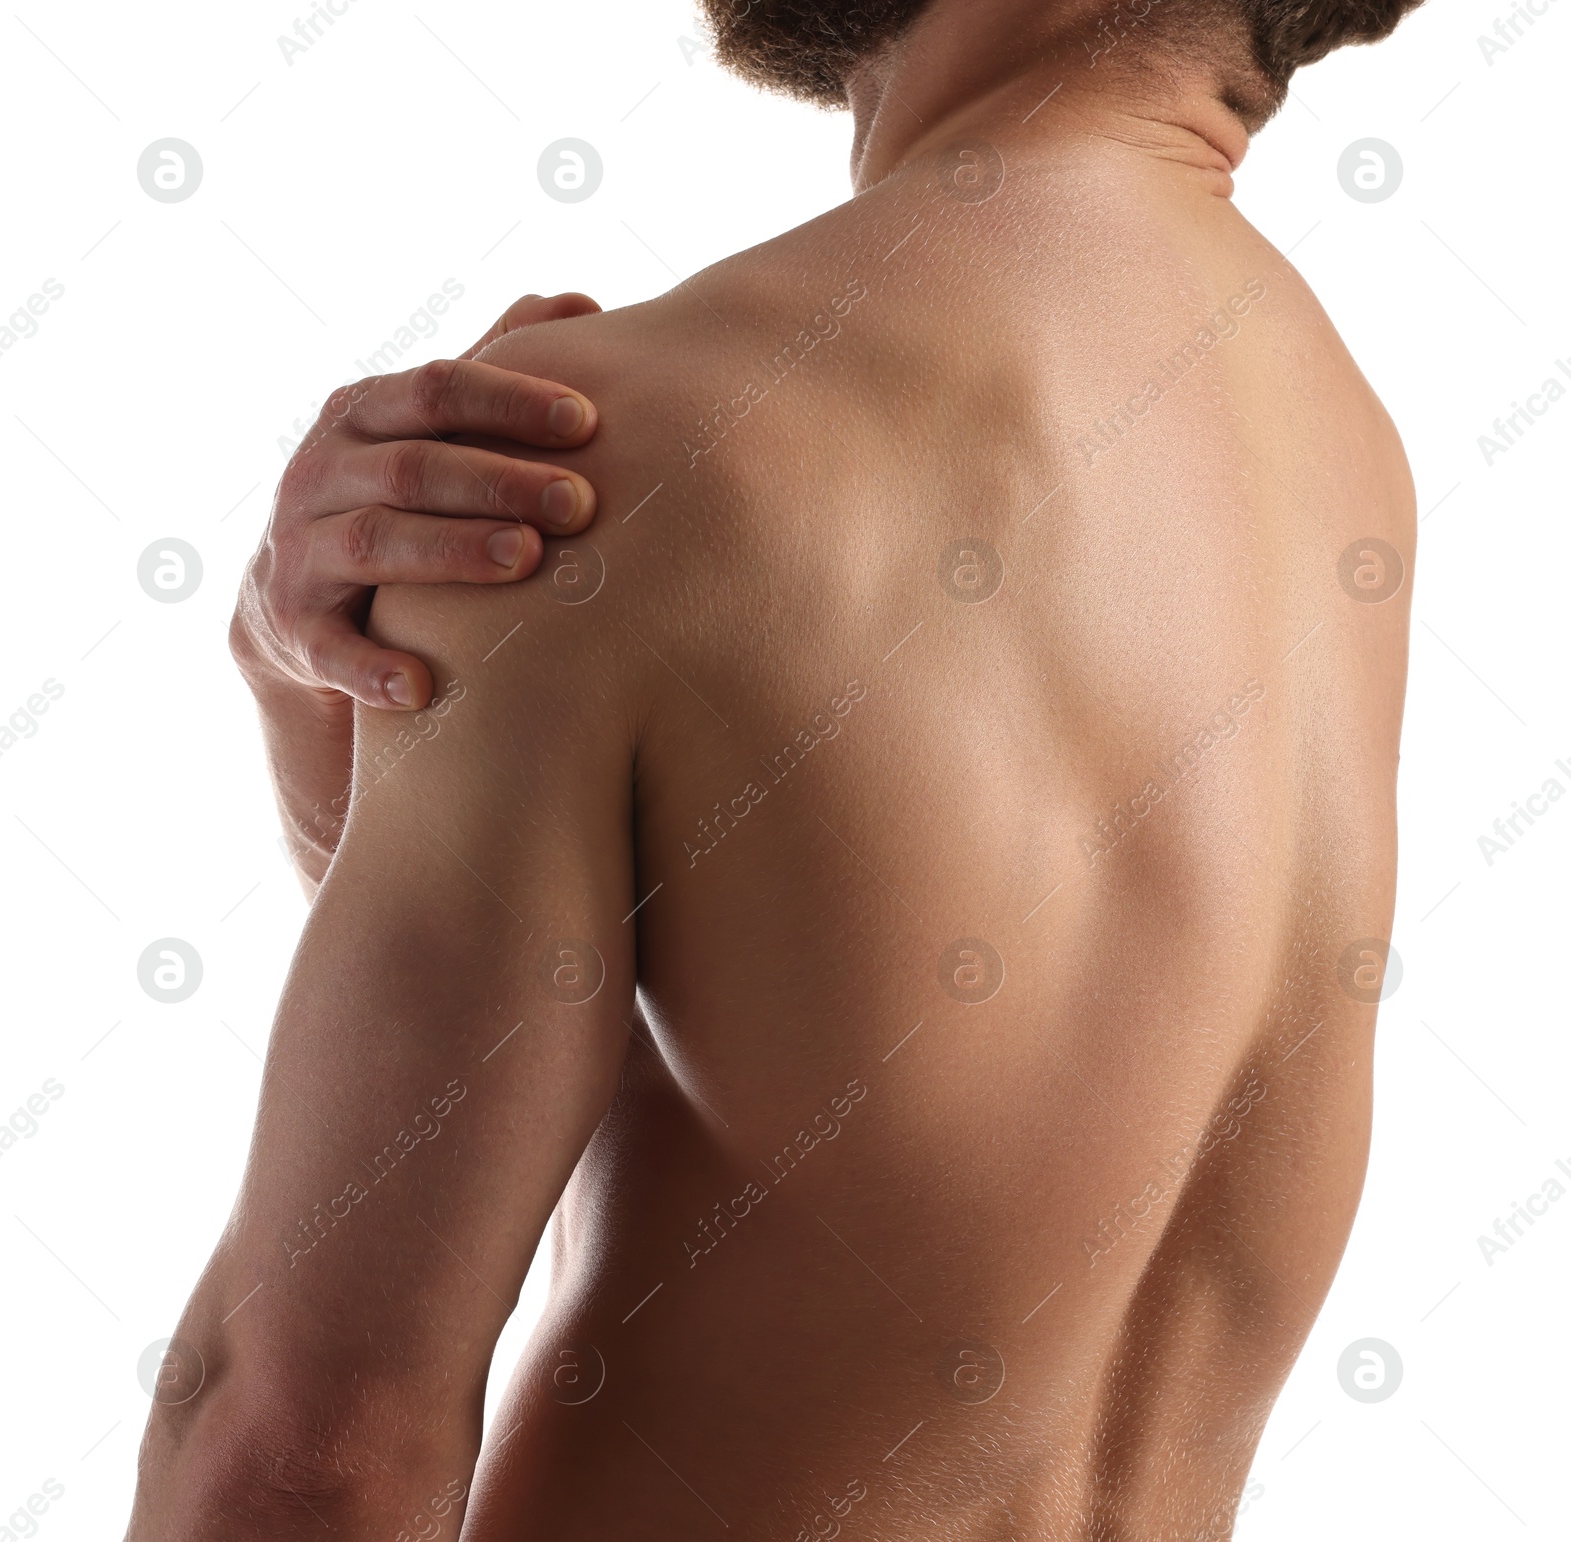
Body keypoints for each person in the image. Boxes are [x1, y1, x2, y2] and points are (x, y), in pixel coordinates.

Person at [130, 0, 1423, 1536]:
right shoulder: (1332, 455)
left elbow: (305, 1439)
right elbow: (704, 1095)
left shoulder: (618, 452)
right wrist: (312, 687)